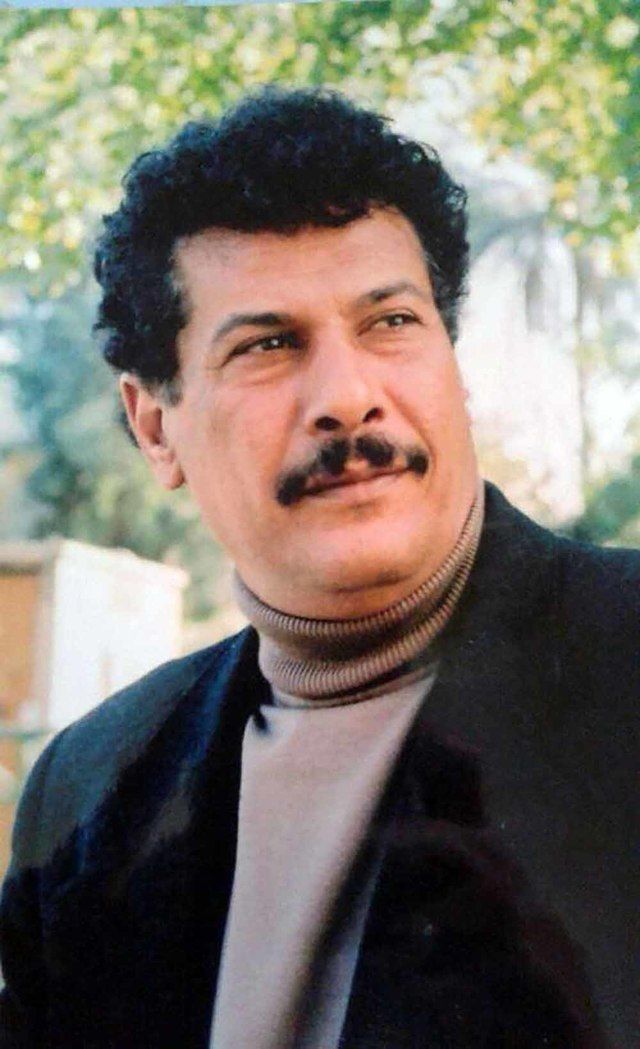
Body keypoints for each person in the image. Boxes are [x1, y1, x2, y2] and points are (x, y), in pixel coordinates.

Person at [0, 87, 637, 1049]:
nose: (348, 396)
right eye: (268, 344)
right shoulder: (88, 792)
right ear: (154, 425)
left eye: (390, 322)